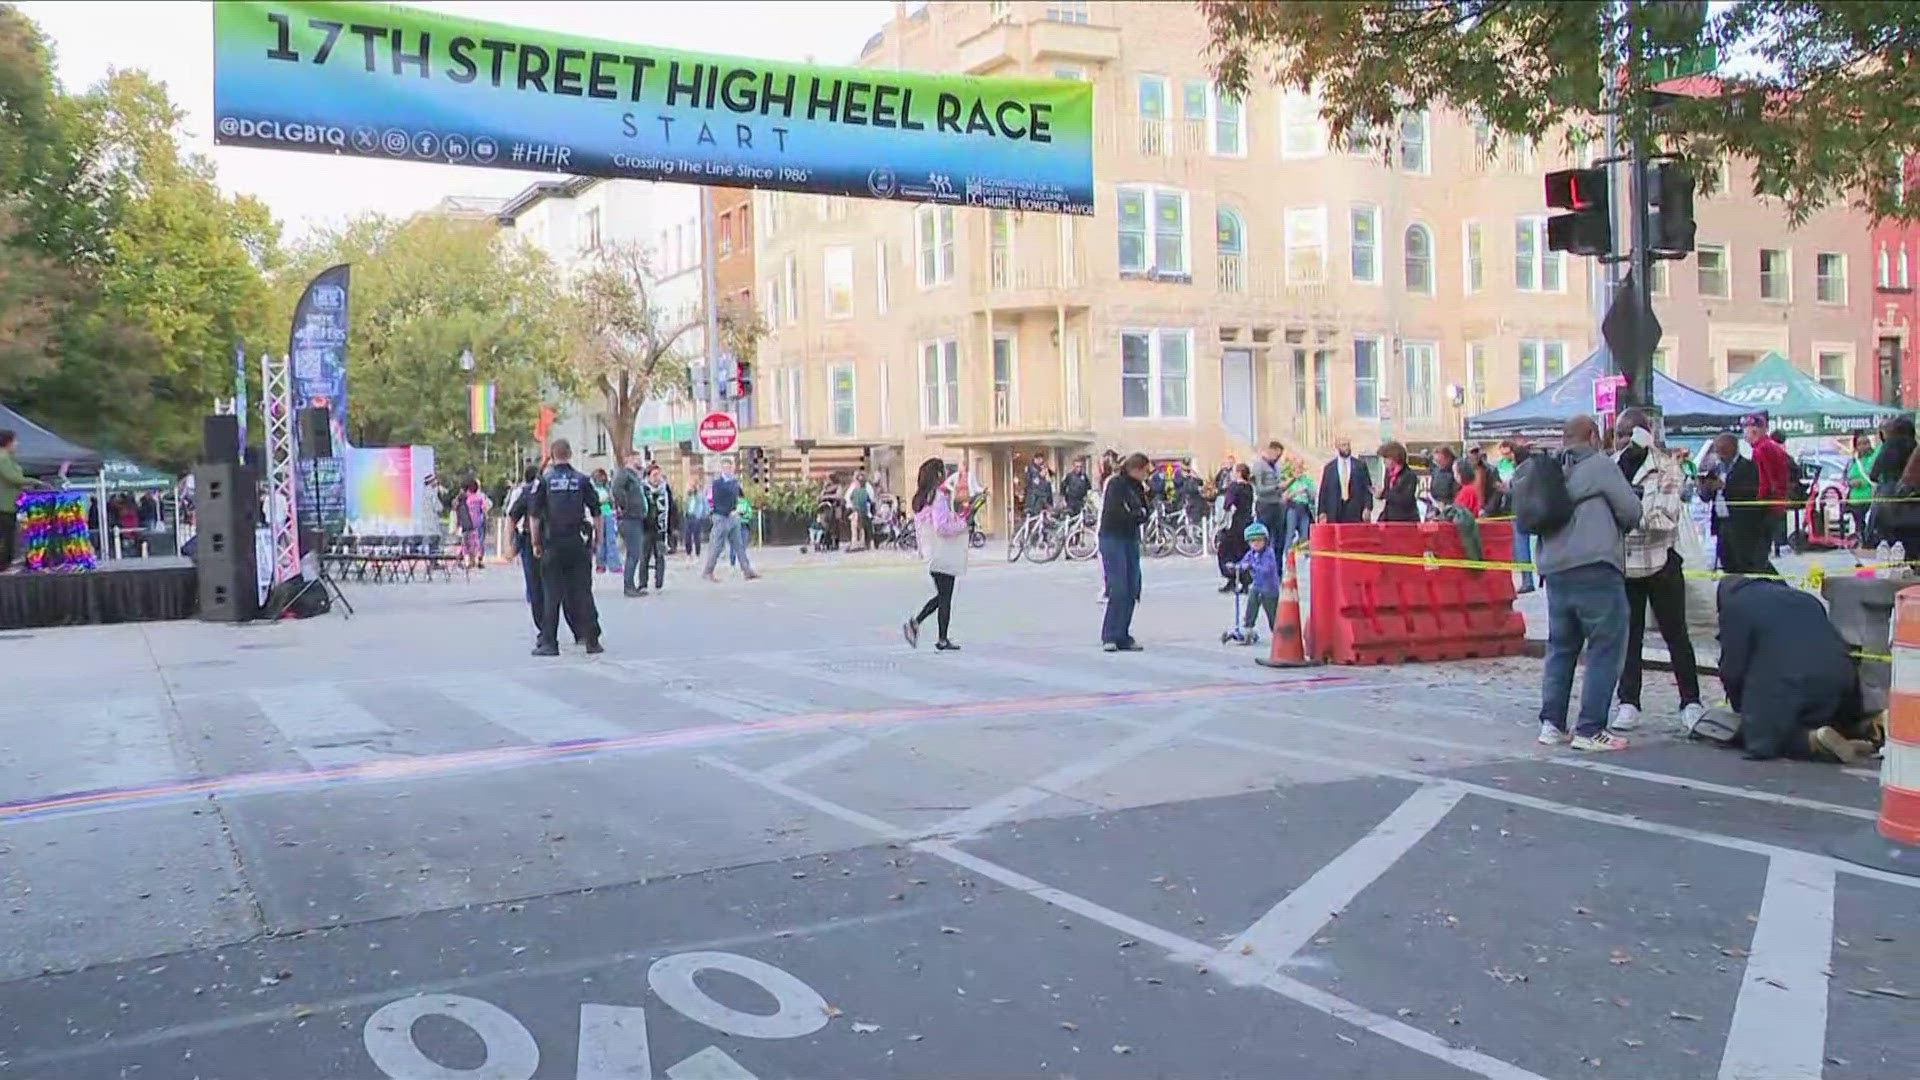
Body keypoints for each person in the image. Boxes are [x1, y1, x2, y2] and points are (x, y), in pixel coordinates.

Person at [1523, 414, 1642, 752]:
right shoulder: (1600, 465)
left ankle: (1552, 724)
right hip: (1594, 567)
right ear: (1592, 436)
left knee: (1561, 647)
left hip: (1555, 570)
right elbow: (1631, 511)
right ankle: (1590, 728)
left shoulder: (1550, 471)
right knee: (1606, 646)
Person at [1716, 574, 1878, 763]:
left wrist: (1742, 708)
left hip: (1790, 682)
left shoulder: (1735, 606)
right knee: (1827, 716)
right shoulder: (1805, 598)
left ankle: (1813, 740)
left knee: (1764, 736)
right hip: (1841, 676)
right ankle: (1865, 727)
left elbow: (1733, 669)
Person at [1610, 409, 1703, 734]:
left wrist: (1629, 514)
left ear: (1643, 434)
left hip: (1661, 562)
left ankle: (1691, 701)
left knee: (1675, 634)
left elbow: (1664, 520)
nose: (1622, 440)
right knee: (1629, 636)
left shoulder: (1666, 467)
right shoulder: (1610, 468)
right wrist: (1634, 513)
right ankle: (1628, 702)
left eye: (1628, 433)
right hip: (1625, 564)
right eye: (1618, 433)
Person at [526, 440, 604, 656]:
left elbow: (534, 517)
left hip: (553, 542)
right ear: (569, 454)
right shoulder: (582, 480)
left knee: (552, 594)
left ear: (552, 456)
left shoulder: (543, 481)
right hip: (577, 542)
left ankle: (550, 642)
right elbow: (597, 512)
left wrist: (535, 543)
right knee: (583, 592)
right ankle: (592, 640)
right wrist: (598, 540)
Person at [902, 458, 969, 651]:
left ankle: (925, 628)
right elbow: (941, 527)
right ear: (938, 475)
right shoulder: (937, 497)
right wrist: (961, 524)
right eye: (943, 471)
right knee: (945, 596)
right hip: (943, 551)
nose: (946, 475)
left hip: (932, 553)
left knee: (943, 595)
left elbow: (922, 528)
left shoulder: (920, 499)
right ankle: (926, 629)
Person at [1099, 452, 1152, 652]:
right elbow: (1116, 512)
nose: (1146, 476)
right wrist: (1135, 515)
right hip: (1112, 537)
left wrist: (1138, 514)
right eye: (1145, 471)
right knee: (1118, 586)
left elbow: (1144, 510)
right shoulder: (1116, 484)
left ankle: (1123, 634)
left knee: (1132, 585)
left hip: (1130, 537)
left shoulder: (1137, 487)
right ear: (1135, 469)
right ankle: (1110, 635)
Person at [1704, 432, 1772, 574]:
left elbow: (1751, 492)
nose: (1718, 452)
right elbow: (1707, 495)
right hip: (1722, 523)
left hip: (1742, 525)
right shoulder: (1716, 468)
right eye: (1716, 448)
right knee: (1727, 563)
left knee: (1744, 563)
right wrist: (1705, 487)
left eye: (1721, 448)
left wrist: (1726, 487)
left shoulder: (1748, 467)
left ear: (1732, 447)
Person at [702, 456, 759, 581]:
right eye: (726, 467)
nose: (728, 470)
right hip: (721, 517)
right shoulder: (717, 484)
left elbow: (738, 497)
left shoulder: (734, 483)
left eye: (730, 467)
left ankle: (747, 571)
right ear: (722, 469)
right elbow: (717, 501)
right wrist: (728, 511)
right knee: (716, 546)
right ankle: (708, 571)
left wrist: (737, 510)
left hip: (733, 517)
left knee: (739, 546)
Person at [1744, 415, 1793, 557]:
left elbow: (1764, 479)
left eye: (1745, 431)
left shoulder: (1761, 450)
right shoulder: (1772, 446)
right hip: (1776, 502)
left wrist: (1757, 501)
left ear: (1754, 431)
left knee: (1760, 548)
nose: (1744, 436)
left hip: (1768, 504)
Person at [0, 430, 48, 572]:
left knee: (9, 536)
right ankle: (3, 565)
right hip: (3, 505)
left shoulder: (8, 458)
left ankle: (5, 564)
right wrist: (34, 482)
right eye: (15, 441)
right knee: (5, 537)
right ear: (8, 442)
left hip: (9, 504)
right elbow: (12, 478)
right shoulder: (2, 458)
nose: (17, 444)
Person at [506, 465, 543, 640]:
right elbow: (513, 517)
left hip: (531, 539)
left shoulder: (526, 491)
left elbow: (512, 517)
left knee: (536, 583)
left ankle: (544, 628)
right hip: (536, 539)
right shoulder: (527, 491)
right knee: (538, 583)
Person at [1497, 438, 1536, 592]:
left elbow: (1516, 490)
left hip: (1521, 512)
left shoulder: (1521, 470)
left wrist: (1503, 488)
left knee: (1522, 548)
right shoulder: (1531, 468)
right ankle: (1528, 579)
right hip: (1529, 510)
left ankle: (1527, 580)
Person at [1231, 521, 1280, 634]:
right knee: (1251, 606)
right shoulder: (1251, 554)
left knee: (1272, 612)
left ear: (1265, 541)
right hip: (1257, 586)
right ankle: (1248, 627)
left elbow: (1267, 569)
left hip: (1269, 589)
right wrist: (1235, 566)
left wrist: (1252, 566)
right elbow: (1243, 563)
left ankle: (1277, 631)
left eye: (1259, 540)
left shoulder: (1269, 553)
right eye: (1253, 541)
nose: (1256, 543)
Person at [610, 453, 649, 597]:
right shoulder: (624, 475)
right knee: (633, 553)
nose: (640, 461)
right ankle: (629, 585)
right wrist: (625, 506)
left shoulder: (634, 476)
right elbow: (616, 490)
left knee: (635, 553)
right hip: (629, 518)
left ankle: (631, 584)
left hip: (636, 517)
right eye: (638, 459)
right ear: (630, 459)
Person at [1216, 462, 1255, 593]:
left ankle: (1231, 577)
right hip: (1248, 522)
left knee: (1225, 551)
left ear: (1238, 473)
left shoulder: (1234, 487)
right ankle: (1244, 582)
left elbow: (1227, 505)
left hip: (1236, 523)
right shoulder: (1249, 487)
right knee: (1244, 552)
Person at [636, 462, 674, 594]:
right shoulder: (642, 489)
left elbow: (671, 508)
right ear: (648, 476)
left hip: (660, 527)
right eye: (654, 475)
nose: (657, 477)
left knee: (660, 555)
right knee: (644, 556)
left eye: (659, 474)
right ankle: (642, 583)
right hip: (645, 527)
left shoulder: (664, 489)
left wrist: (671, 528)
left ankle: (659, 583)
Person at [1317, 436, 1373, 524]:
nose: (1346, 448)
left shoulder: (1360, 466)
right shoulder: (1329, 468)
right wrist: (1322, 512)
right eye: (1343, 445)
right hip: (1335, 510)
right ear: (1337, 447)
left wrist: (1367, 507)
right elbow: (1324, 491)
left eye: (1348, 445)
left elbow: (1367, 488)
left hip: (1355, 510)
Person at [1249, 440, 1287, 541]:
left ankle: (1277, 556)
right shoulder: (1259, 465)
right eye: (1277, 454)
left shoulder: (1277, 467)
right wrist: (1277, 487)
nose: (1278, 458)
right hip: (1265, 505)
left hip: (1278, 504)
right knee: (1264, 536)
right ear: (1270, 450)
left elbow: (1279, 484)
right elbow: (1259, 489)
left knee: (1279, 537)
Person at [1375, 441, 1420, 522]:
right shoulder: (1388, 474)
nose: (1384, 462)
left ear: (1395, 458)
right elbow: (1389, 500)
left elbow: (1405, 500)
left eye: (1386, 458)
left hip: (1406, 521)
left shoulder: (1409, 476)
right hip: (1390, 519)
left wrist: (1384, 494)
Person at [1845, 429, 1877, 542]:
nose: (1864, 446)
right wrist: (1850, 482)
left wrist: (1864, 482)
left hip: (1870, 498)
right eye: (1860, 444)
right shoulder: (1852, 461)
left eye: (1866, 442)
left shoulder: (1875, 458)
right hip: (1855, 501)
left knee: (1871, 528)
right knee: (1860, 527)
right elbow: (1845, 478)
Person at [1282, 455, 1316, 553]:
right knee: (1290, 533)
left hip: (1304, 509)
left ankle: (1303, 557)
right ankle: (1287, 556)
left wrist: (1308, 490)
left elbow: (1313, 496)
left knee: (1304, 535)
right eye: (1297, 467)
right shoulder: (1289, 480)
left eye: (1301, 467)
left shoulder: (1307, 480)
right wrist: (1295, 493)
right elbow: (1284, 498)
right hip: (1293, 507)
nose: (1299, 469)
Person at [456, 479, 490, 570]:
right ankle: (476, 559)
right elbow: (484, 508)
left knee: (466, 542)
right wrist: (486, 516)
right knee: (478, 541)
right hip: (478, 522)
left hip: (467, 523)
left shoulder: (466, 498)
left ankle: (468, 560)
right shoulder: (480, 497)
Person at [590, 468, 617, 573]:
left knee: (611, 539)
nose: (601, 479)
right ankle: (600, 564)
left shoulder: (607, 488)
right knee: (599, 540)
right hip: (598, 515)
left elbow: (612, 500)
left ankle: (613, 564)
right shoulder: (592, 488)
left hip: (608, 513)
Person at [682, 474, 709, 560]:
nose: (690, 485)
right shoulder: (688, 494)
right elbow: (685, 505)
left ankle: (697, 554)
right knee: (687, 536)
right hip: (688, 516)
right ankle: (688, 554)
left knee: (697, 536)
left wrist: (703, 516)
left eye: (692, 484)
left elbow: (705, 505)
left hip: (697, 517)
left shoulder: (700, 494)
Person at [847, 470, 874, 551]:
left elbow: (850, 498)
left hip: (856, 511)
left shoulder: (855, 490)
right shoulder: (865, 490)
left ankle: (855, 543)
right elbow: (870, 500)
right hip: (863, 512)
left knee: (855, 527)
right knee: (862, 527)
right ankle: (862, 543)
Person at [1022, 451, 1052, 520]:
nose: (1041, 461)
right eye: (1039, 459)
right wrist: (1039, 476)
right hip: (1034, 497)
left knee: (1044, 516)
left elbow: (1049, 480)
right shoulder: (1030, 468)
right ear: (1036, 459)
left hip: (1043, 496)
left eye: (1042, 459)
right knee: (1033, 515)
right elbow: (1029, 481)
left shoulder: (1043, 468)